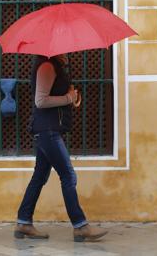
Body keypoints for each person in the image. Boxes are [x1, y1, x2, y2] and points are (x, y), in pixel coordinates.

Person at [14, 54, 108, 242]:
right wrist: (68, 97)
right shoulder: (47, 66)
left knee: (39, 177)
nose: (68, 52)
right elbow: (40, 101)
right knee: (68, 176)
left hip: (48, 129)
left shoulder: (55, 65)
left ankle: (24, 222)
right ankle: (80, 226)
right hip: (48, 130)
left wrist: (71, 96)